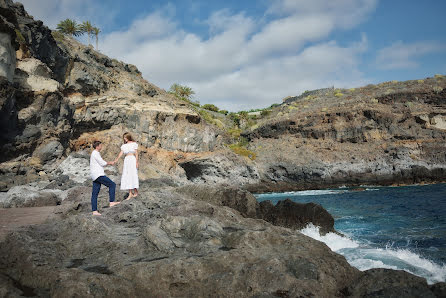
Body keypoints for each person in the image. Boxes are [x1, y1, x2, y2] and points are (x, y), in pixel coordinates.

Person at [90, 140, 120, 216]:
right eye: (100, 145)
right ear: (97, 146)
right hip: (98, 175)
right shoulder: (95, 153)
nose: (102, 146)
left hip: (95, 175)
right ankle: (112, 202)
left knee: (95, 194)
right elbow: (102, 163)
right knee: (112, 185)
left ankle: (94, 211)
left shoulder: (95, 153)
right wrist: (110, 162)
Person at [113, 132, 139, 200]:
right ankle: (130, 193)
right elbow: (121, 153)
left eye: (125, 137)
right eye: (124, 138)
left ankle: (135, 191)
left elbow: (136, 154)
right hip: (127, 160)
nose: (124, 139)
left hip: (132, 159)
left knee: (133, 174)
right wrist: (116, 159)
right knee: (127, 175)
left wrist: (136, 162)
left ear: (128, 137)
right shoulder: (124, 146)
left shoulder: (134, 144)